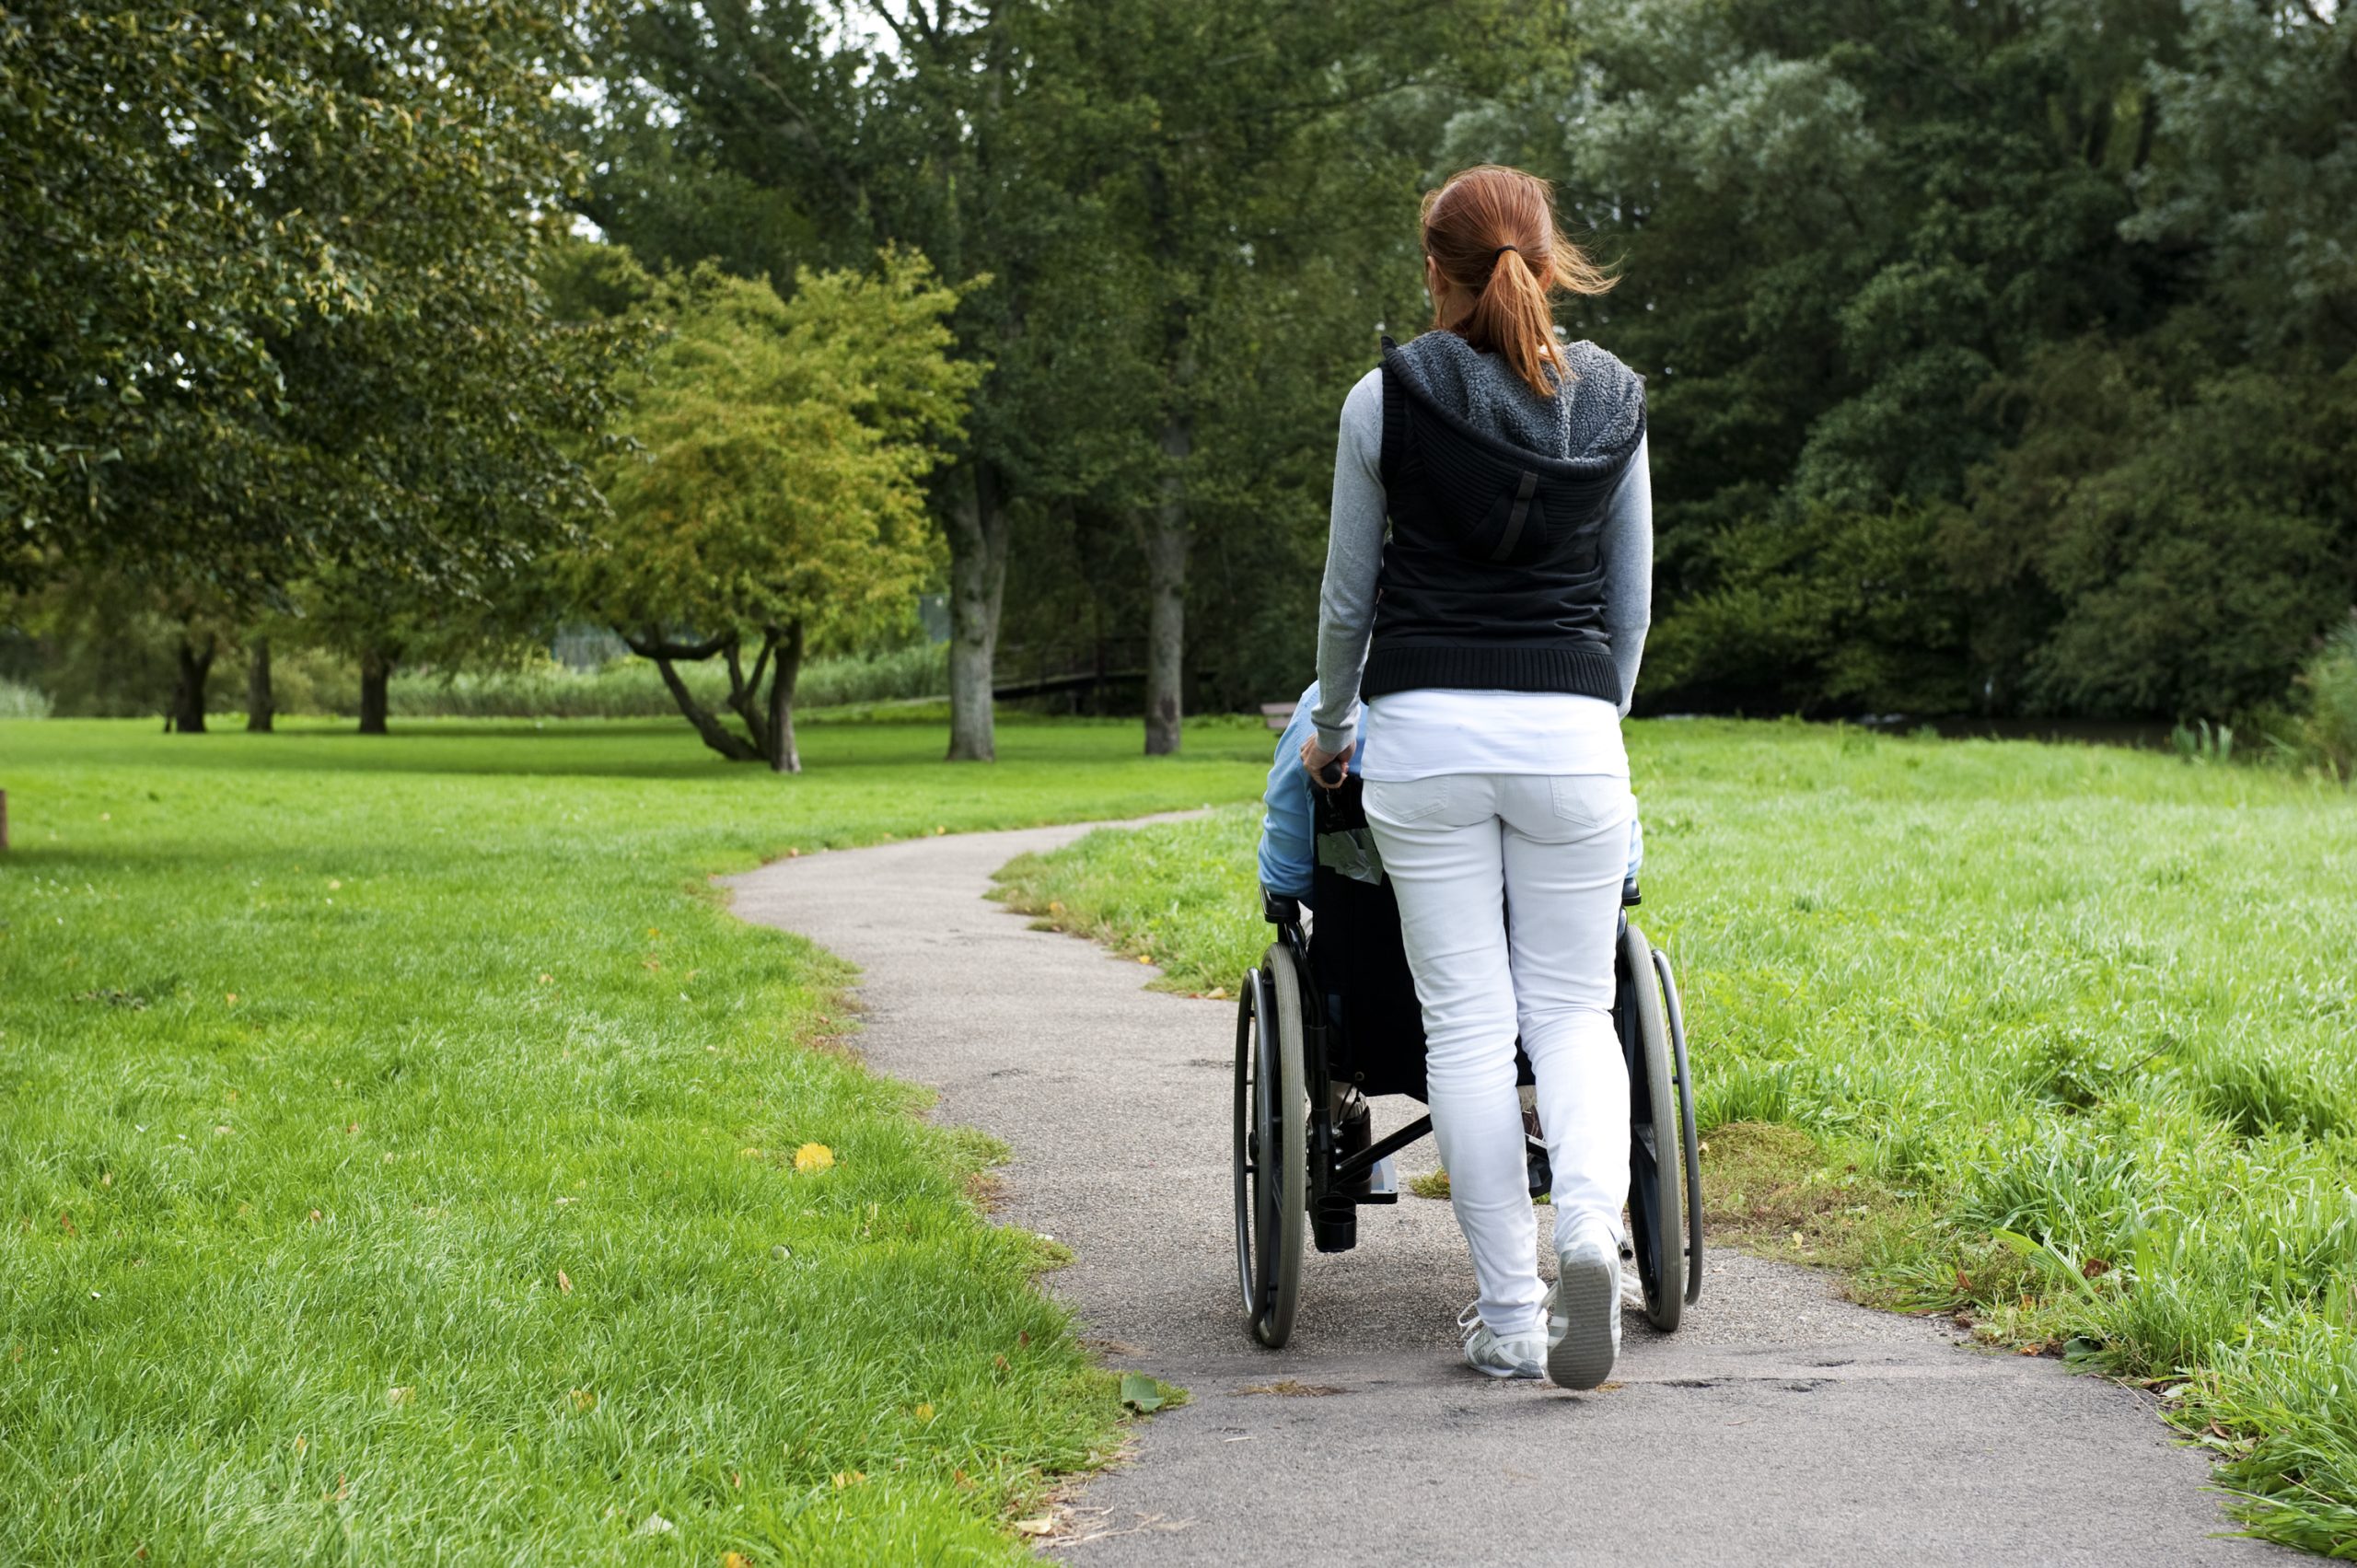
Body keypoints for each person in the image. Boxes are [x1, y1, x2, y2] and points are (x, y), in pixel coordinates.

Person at [1299, 165, 1653, 1389]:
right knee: (1575, 1014)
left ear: (1434, 271)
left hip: (1426, 736)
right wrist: (1592, 723)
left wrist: (1332, 730)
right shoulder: (1612, 398)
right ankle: (1593, 1231)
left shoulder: (1383, 397)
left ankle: (1511, 1314)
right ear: (1549, 265)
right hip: (1570, 733)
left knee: (1469, 1023)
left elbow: (1350, 600)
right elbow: (1630, 604)